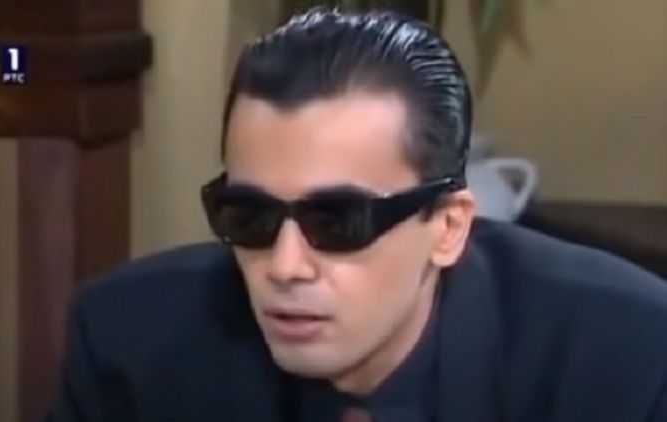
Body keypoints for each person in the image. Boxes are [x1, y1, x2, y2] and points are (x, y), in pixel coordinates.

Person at [46, 8, 667, 422]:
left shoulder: (627, 357)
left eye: (338, 222)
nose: (285, 266)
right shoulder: (128, 341)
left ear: (448, 227)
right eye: (251, 217)